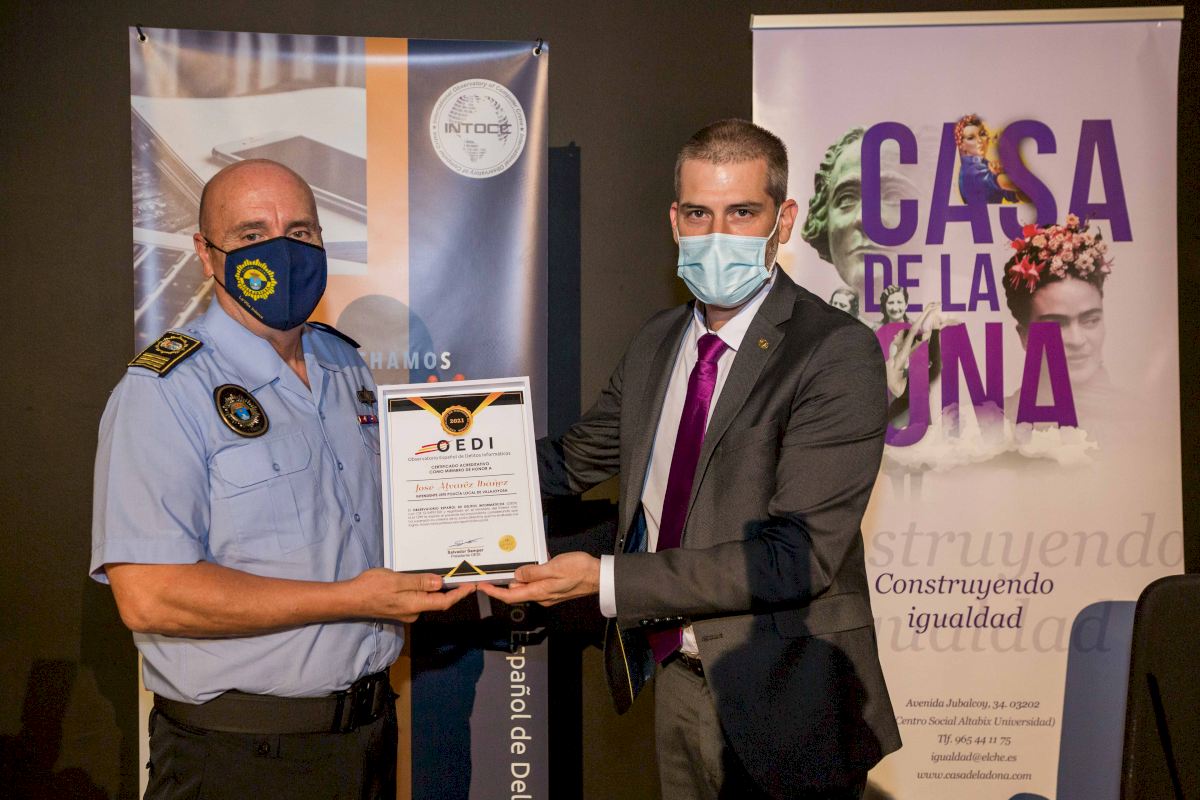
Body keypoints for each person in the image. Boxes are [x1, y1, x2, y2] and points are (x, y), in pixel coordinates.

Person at [481, 120, 900, 799]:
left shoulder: (834, 353)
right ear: (675, 222)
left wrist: (605, 580)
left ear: (784, 220)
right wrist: (440, 467)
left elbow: (794, 556)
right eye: (700, 214)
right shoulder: (658, 343)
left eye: (743, 213)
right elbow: (572, 461)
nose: (717, 234)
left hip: (791, 700)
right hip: (678, 682)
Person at [90, 159, 474, 800]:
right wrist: (351, 599)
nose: (283, 250)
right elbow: (151, 596)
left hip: (367, 737)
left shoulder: (343, 363)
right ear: (206, 255)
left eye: (301, 232)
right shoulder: (165, 390)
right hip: (241, 757)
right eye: (251, 234)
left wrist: (470, 505)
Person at [954, 113, 1017, 205]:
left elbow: (1014, 195)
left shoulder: (985, 164)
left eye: (982, 134)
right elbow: (1013, 184)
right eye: (971, 138)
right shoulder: (971, 170)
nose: (979, 140)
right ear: (962, 145)